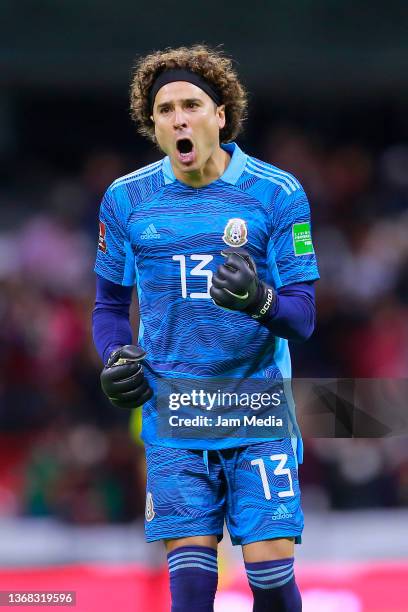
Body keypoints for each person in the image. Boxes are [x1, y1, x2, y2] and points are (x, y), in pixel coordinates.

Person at [93, 44, 319, 612]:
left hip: (257, 411)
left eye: (191, 104)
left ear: (220, 115)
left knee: (269, 582)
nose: (179, 118)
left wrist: (260, 300)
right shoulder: (126, 200)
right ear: (154, 126)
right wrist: (116, 355)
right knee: (191, 589)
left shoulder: (277, 193)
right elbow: (108, 307)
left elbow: (303, 317)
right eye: (165, 110)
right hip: (175, 413)